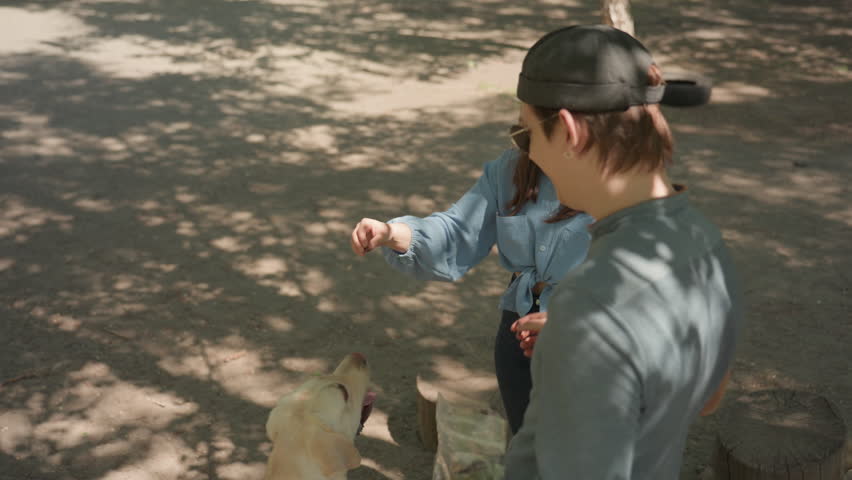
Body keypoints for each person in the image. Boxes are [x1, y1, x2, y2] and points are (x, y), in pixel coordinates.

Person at [502, 25, 745, 479]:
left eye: (526, 135)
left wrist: (587, 332)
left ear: (570, 131)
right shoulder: (705, 242)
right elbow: (708, 395)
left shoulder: (592, 304)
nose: (529, 154)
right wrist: (591, 345)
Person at [350, 136, 594, 435]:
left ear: (568, 122)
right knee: (528, 440)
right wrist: (391, 233)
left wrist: (576, 323)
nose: (522, 140)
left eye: (528, 128)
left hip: (591, 338)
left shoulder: (628, 185)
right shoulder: (514, 167)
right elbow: (458, 231)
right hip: (521, 326)